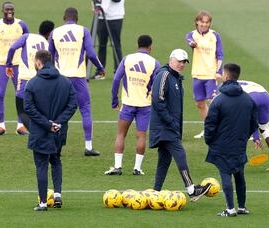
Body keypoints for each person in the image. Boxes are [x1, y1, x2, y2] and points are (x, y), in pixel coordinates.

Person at [149, 49, 211, 202]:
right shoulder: (164, 75)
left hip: (169, 126)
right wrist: (170, 122)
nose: (181, 64)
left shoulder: (176, 78)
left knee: (164, 160)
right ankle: (191, 190)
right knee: (179, 154)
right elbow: (158, 100)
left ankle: (155, 192)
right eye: (179, 61)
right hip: (165, 127)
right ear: (171, 60)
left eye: (184, 62)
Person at [24, 50, 78, 211]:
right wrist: (59, 123)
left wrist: (48, 125)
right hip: (59, 132)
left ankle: (42, 202)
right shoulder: (66, 82)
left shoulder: (32, 84)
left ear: (38, 63)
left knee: (41, 165)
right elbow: (72, 105)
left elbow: (29, 108)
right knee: (56, 160)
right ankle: (58, 195)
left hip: (40, 132)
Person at [49, 7, 105, 156]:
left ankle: (56, 147)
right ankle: (88, 147)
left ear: (64, 18)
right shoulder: (83, 30)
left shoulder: (55, 32)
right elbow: (91, 53)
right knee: (85, 109)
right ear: (77, 18)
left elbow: (49, 57)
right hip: (78, 78)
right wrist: (100, 67)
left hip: (59, 79)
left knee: (58, 111)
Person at [204, 63, 258, 217]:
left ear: (226, 76)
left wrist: (209, 140)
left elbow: (210, 124)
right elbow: (254, 122)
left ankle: (230, 209)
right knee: (239, 174)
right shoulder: (248, 99)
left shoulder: (219, 100)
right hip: (239, 144)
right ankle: (241, 207)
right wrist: (244, 137)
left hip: (222, 145)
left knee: (225, 173)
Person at [105, 35, 160, 176]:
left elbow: (116, 79)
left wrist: (114, 100)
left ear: (138, 45)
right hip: (145, 106)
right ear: (150, 47)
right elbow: (158, 86)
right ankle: (137, 168)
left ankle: (118, 167)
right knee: (141, 136)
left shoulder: (127, 59)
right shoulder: (154, 63)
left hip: (128, 104)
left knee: (121, 134)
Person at [0, 1, 29, 135]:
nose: (9, 11)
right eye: (7, 9)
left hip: (18, 65)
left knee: (21, 94)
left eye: (11, 9)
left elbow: (29, 43)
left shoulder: (21, 25)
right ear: (2, 11)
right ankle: (1, 126)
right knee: (0, 93)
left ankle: (20, 125)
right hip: (2, 65)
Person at [6, 20, 55, 129]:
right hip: (41, 80)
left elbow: (12, 48)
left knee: (21, 109)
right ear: (48, 33)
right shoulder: (48, 44)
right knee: (40, 108)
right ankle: (44, 130)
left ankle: (34, 131)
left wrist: (8, 64)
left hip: (25, 78)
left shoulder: (27, 36)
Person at [185, 10, 223, 139]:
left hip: (211, 75)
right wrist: (192, 44)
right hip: (197, 74)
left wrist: (218, 71)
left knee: (213, 103)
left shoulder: (215, 36)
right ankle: (208, 129)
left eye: (207, 22)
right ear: (197, 22)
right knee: (200, 104)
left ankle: (219, 128)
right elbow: (189, 40)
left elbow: (220, 55)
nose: (204, 25)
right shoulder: (192, 35)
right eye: (202, 22)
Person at [238, 80, 269, 172]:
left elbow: (250, 117)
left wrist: (256, 137)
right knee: (265, 129)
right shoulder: (242, 82)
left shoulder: (225, 87)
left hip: (251, 97)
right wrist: (256, 136)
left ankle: (237, 164)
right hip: (264, 95)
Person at [92, 0, 125, 79]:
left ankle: (118, 71)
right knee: (101, 45)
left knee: (116, 45)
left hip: (115, 16)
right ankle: (100, 72)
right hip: (100, 17)